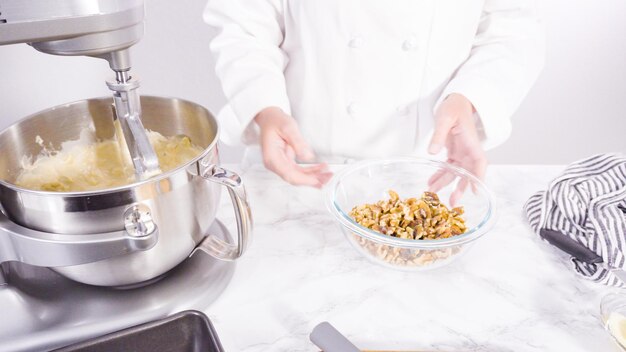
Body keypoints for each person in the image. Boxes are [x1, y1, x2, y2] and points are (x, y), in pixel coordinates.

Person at [203, 1, 544, 196]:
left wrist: (469, 99)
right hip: (298, 174)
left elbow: (512, 31)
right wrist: (264, 107)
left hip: (427, 178)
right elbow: (244, 25)